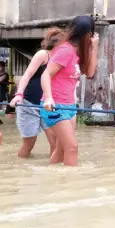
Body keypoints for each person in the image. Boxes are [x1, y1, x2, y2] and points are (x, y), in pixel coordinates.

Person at [41, 16, 98, 166]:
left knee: (62, 149)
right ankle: (71, 186)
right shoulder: (65, 50)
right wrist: (48, 97)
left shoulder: (78, 53)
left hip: (69, 107)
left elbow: (90, 73)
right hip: (54, 106)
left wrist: (94, 47)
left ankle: (50, 179)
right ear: (88, 35)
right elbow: (46, 74)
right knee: (72, 147)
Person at [10, 28, 62, 158]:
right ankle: (20, 168)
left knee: (55, 141)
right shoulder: (43, 55)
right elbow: (27, 75)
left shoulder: (62, 58)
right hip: (29, 103)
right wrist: (19, 94)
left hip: (47, 105)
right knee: (29, 144)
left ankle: (53, 173)